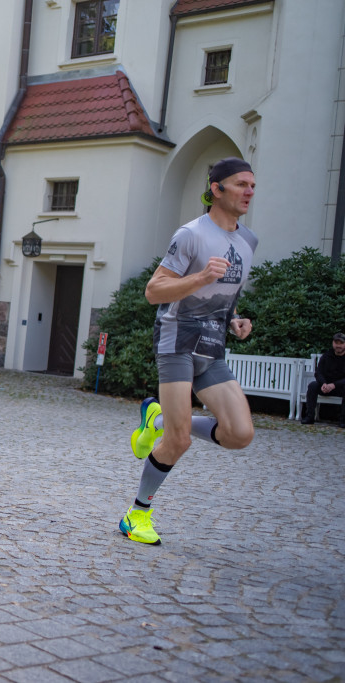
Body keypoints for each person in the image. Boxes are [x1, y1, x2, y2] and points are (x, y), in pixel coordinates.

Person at [122, 157, 259, 546]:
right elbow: (154, 291)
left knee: (239, 433)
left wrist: (234, 319)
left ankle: (158, 422)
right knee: (180, 441)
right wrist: (199, 276)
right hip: (178, 338)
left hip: (213, 344)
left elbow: (224, 295)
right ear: (216, 189)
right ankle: (137, 514)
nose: (249, 191)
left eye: (252, 185)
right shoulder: (191, 234)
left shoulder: (248, 241)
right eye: (240, 184)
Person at [300, 332, 345, 426]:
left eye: (341, 343)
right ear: (333, 343)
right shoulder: (326, 356)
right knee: (313, 386)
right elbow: (318, 372)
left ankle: (343, 420)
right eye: (336, 343)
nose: (338, 346)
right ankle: (309, 417)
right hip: (325, 387)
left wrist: (334, 385)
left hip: (340, 387)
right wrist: (324, 383)